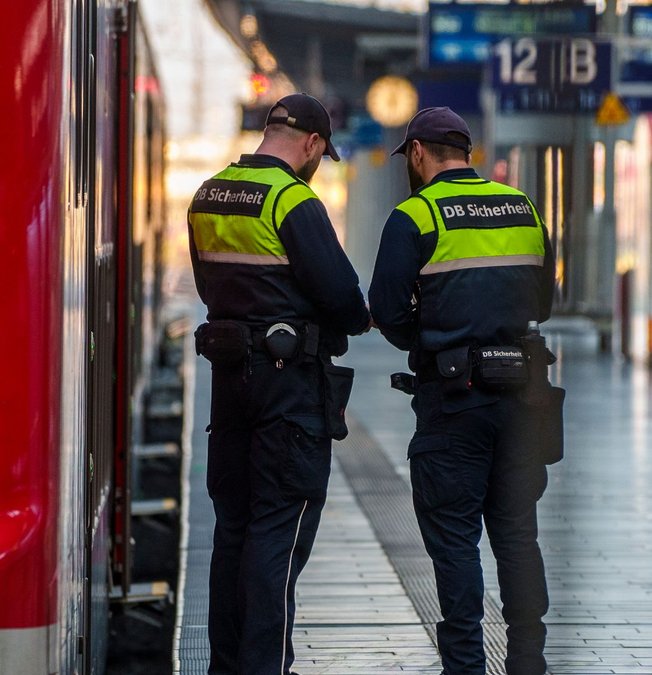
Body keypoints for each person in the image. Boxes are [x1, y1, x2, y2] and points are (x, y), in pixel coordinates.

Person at [368, 107, 558, 675]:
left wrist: (427, 342)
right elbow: (544, 304)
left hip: (454, 399)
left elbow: (385, 309)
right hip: (523, 396)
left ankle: (466, 666)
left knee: (454, 540)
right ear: (467, 152)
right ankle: (528, 661)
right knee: (518, 534)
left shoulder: (415, 215)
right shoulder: (521, 207)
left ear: (419, 153)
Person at [187, 93, 372, 675]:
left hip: (229, 382)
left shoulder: (209, 194)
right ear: (314, 144)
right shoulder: (294, 201)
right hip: (287, 390)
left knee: (233, 528)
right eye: (323, 153)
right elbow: (343, 299)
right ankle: (266, 667)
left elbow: (206, 288)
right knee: (279, 530)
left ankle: (227, 664)